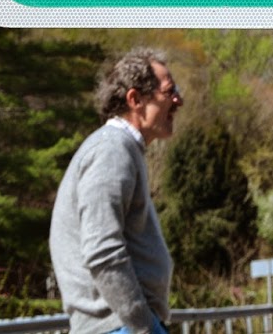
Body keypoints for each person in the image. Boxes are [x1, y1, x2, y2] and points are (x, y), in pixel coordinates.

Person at [50, 49, 184, 334]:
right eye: (170, 91)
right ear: (135, 100)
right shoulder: (112, 150)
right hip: (118, 326)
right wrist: (143, 325)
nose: (178, 101)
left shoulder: (122, 150)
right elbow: (102, 251)